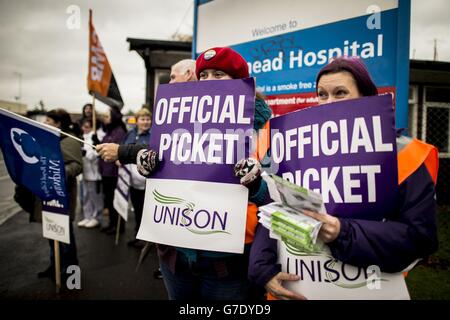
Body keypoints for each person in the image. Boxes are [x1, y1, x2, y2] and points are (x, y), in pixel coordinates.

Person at [248, 56, 439, 300]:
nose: (328, 103)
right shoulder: (296, 150)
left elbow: (419, 238)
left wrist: (342, 232)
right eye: (322, 94)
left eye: (340, 93)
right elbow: (275, 211)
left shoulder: (403, 154)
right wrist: (263, 270)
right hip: (297, 291)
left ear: (366, 98)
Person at [137, 47, 272, 300]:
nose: (209, 81)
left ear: (240, 82)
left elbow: (275, 198)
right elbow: (168, 176)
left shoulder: (265, 130)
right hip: (175, 254)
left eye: (219, 75)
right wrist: (150, 167)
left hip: (229, 263)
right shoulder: (176, 121)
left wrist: (256, 185)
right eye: (204, 75)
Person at [37, 108, 82, 280]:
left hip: (63, 194)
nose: (44, 123)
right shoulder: (44, 139)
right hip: (47, 194)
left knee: (65, 234)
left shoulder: (70, 141)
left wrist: (57, 172)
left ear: (58, 123)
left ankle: (70, 269)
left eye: (48, 121)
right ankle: (54, 265)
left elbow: (77, 166)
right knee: (51, 230)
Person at [122, 108, 152, 248]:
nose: (145, 122)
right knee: (137, 209)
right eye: (142, 119)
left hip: (147, 182)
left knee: (146, 211)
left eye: (148, 119)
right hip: (132, 180)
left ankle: (146, 240)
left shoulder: (153, 136)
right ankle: (137, 235)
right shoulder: (130, 133)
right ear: (137, 120)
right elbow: (122, 149)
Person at [99, 106, 127, 235]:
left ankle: (118, 226)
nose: (104, 119)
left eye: (107, 116)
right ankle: (111, 223)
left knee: (115, 199)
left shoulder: (119, 132)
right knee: (109, 199)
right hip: (106, 171)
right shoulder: (108, 131)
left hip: (114, 172)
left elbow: (119, 151)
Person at [78, 118, 103, 228]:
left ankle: (96, 218)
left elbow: (95, 156)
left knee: (95, 198)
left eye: (87, 127)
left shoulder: (96, 138)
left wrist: (86, 152)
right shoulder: (81, 137)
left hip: (94, 174)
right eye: (83, 126)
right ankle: (87, 216)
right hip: (84, 173)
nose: (84, 129)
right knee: (86, 196)